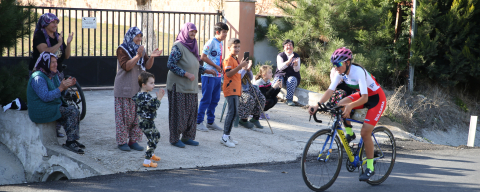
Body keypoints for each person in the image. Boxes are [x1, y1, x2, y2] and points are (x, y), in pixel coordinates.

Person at [308, 47, 387, 181]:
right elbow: (330, 91)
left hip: (376, 99)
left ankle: (370, 167)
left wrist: (350, 106)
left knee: (365, 132)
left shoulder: (358, 72)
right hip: (362, 95)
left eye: (338, 64)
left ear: (348, 62)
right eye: (334, 65)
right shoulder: (340, 73)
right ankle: (349, 133)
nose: (336, 67)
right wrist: (317, 104)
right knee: (339, 105)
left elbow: (365, 98)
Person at [166, 22, 216, 148]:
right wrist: (185, 74)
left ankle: (188, 137)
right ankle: (174, 139)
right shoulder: (178, 46)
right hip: (178, 85)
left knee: (191, 113)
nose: (193, 34)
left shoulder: (193, 45)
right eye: (191, 31)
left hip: (191, 86)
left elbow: (193, 63)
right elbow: (171, 64)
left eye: (195, 31)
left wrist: (205, 70)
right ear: (185, 31)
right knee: (179, 113)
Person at [114, 27, 162, 151]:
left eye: (141, 36)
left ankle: (133, 141)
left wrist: (151, 57)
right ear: (131, 36)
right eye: (137, 36)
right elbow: (126, 66)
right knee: (124, 117)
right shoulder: (122, 49)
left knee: (137, 116)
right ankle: (122, 142)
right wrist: (137, 56)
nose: (139, 39)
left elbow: (147, 66)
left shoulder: (141, 49)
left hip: (137, 89)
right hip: (124, 88)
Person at [27, 52, 84, 154]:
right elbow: (46, 97)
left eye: (56, 62)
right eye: (52, 62)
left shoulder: (53, 75)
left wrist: (66, 86)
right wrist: (61, 88)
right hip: (41, 110)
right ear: (44, 63)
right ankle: (70, 142)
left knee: (72, 109)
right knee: (71, 111)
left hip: (50, 106)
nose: (55, 64)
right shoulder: (38, 78)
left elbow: (59, 93)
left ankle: (73, 140)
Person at [30, 13, 74, 138]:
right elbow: (46, 52)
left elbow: (66, 56)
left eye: (56, 22)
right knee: (46, 97)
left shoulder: (57, 37)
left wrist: (67, 43)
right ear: (45, 24)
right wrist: (59, 43)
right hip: (41, 73)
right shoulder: (39, 36)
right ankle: (45, 127)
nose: (55, 25)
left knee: (59, 98)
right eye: (53, 22)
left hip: (57, 71)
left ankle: (56, 128)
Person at [196, 22, 229, 132]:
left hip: (218, 75)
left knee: (215, 99)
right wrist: (215, 66)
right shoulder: (210, 42)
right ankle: (199, 122)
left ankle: (210, 122)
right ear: (217, 32)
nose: (225, 35)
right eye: (224, 32)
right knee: (206, 99)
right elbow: (203, 57)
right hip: (208, 74)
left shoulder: (221, 43)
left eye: (226, 32)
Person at [221, 38, 249, 148]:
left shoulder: (236, 59)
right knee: (231, 112)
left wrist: (243, 68)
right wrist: (239, 66)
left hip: (236, 89)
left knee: (234, 112)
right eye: (234, 47)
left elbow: (237, 74)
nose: (237, 49)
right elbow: (228, 74)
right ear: (229, 48)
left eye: (238, 47)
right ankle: (225, 136)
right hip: (230, 89)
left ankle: (227, 135)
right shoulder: (228, 59)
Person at [132, 72, 164, 168]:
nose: (153, 85)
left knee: (156, 136)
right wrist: (159, 99)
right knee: (152, 140)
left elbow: (149, 103)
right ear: (143, 85)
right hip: (145, 122)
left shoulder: (144, 95)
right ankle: (147, 160)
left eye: (153, 83)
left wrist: (157, 98)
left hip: (149, 121)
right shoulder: (143, 96)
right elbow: (153, 107)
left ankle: (151, 153)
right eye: (151, 83)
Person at [272, 39, 301, 106]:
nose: (289, 47)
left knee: (292, 79)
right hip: (281, 76)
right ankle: (271, 96)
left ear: (293, 47)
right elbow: (280, 68)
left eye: (290, 45)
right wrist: (288, 62)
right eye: (287, 45)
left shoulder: (296, 56)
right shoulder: (280, 55)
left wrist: (296, 64)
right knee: (277, 80)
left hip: (292, 77)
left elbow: (297, 70)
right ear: (283, 48)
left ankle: (289, 99)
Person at [238, 61, 265, 129]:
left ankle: (255, 119)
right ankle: (243, 120)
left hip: (248, 88)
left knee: (261, 98)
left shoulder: (244, 68)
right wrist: (244, 69)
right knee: (249, 98)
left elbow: (250, 78)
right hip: (240, 89)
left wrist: (249, 70)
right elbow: (238, 78)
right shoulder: (237, 67)